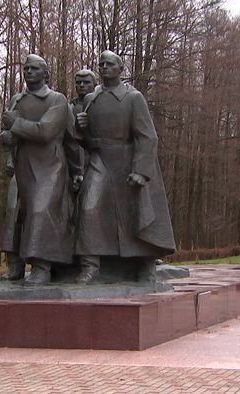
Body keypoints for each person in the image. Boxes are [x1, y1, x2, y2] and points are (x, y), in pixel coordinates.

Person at [74, 50, 176, 284]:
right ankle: (90, 265)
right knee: (89, 207)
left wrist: (141, 170)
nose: (103, 68)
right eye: (100, 65)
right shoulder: (92, 98)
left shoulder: (133, 97)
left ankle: (146, 264)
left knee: (136, 213)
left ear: (121, 70)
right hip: (99, 160)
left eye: (109, 64)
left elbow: (147, 136)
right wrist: (81, 129)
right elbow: (86, 143)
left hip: (127, 160)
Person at [0, 54, 81, 285]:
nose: (28, 72)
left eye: (34, 69)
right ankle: (15, 265)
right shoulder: (17, 99)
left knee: (41, 210)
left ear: (45, 74)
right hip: (22, 163)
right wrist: (5, 138)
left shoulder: (57, 100)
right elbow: (6, 132)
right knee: (15, 211)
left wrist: (77, 171)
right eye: (25, 68)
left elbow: (46, 131)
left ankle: (42, 266)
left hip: (50, 164)